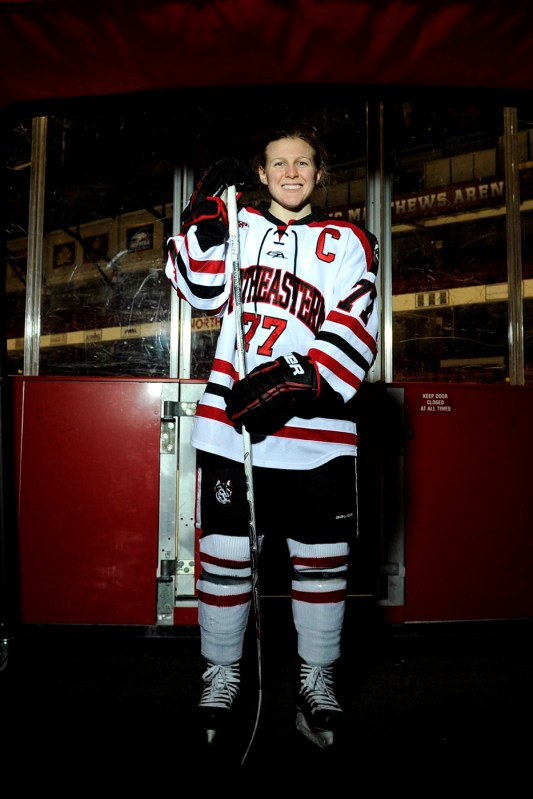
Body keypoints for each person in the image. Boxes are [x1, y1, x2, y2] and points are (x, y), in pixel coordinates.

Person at [165, 124, 379, 749]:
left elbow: (357, 327)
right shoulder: (240, 228)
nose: (291, 173)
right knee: (226, 561)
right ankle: (222, 672)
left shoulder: (350, 242)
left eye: (303, 163)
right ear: (260, 173)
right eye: (279, 163)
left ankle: (317, 680)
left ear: (320, 171)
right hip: (232, 432)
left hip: (320, 436)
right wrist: (204, 221)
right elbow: (200, 289)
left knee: (319, 565)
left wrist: (296, 380)